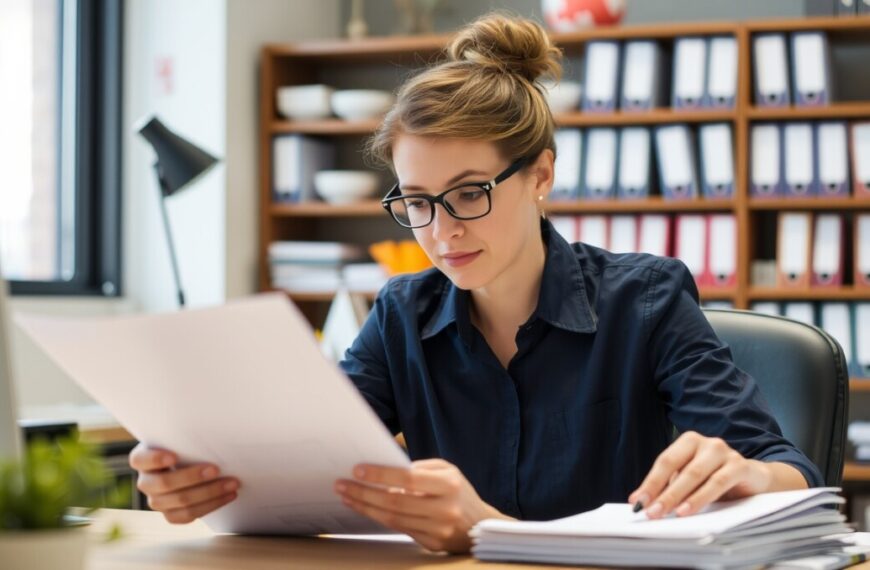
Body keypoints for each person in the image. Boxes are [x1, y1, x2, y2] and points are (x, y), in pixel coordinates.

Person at [129, 13, 821, 555]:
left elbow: (792, 473)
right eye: (417, 201)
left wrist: (748, 473)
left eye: (468, 194)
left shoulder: (646, 299)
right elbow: (319, 471)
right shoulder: (401, 313)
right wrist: (214, 485)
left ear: (541, 175)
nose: (440, 232)